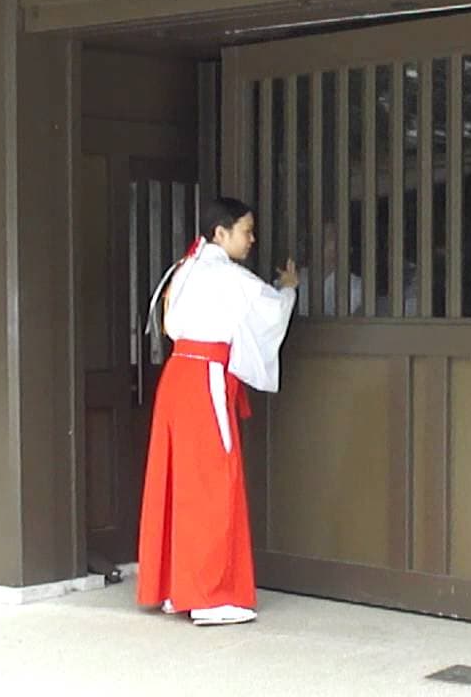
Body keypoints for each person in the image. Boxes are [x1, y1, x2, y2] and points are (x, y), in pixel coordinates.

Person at [136, 197, 299, 626]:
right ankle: (211, 595)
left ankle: (178, 588)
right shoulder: (226, 276)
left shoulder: (185, 269)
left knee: (181, 482)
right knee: (213, 484)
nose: (251, 238)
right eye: (245, 230)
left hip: (178, 377)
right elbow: (270, 313)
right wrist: (290, 288)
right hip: (206, 378)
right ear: (221, 233)